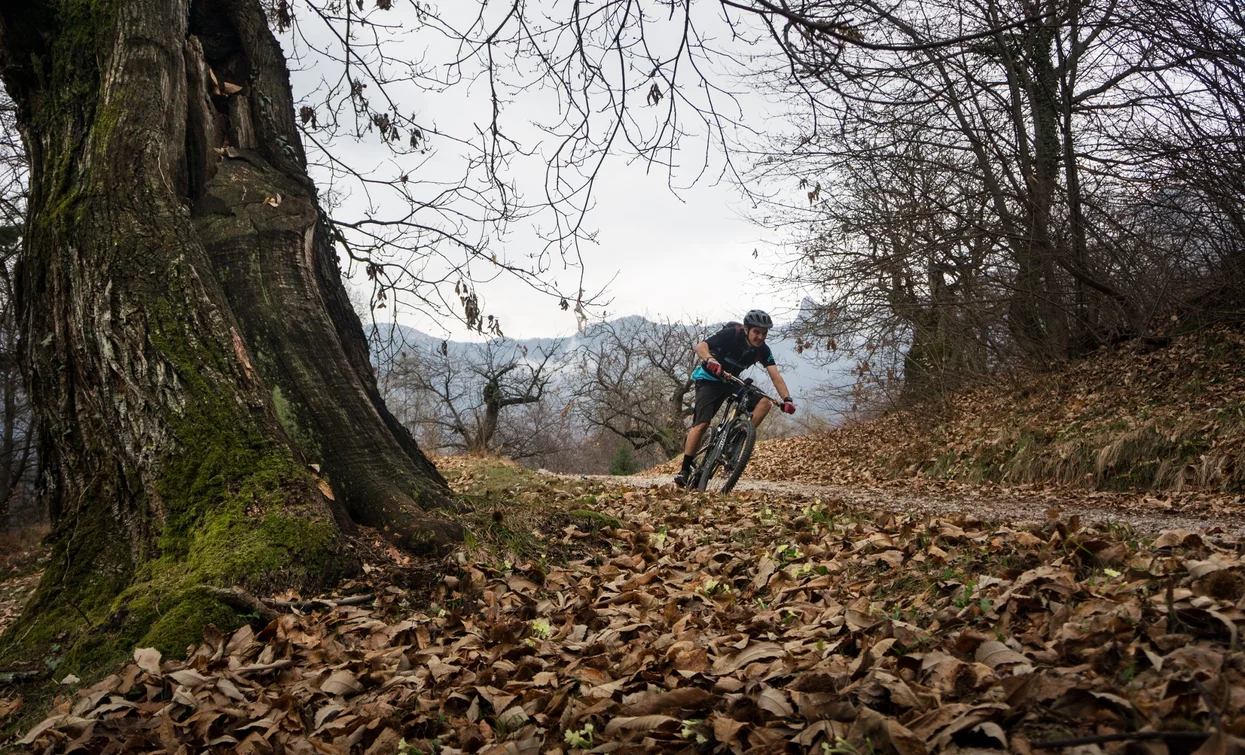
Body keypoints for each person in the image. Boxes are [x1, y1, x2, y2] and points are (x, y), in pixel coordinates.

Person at [674, 310, 795, 487]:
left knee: (764, 403)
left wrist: (787, 399)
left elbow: (775, 375)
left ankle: (737, 443)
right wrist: (710, 359)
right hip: (709, 380)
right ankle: (684, 470)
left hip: (732, 381)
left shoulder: (763, 350)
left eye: (764, 333)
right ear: (746, 329)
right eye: (756, 332)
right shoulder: (731, 334)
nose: (760, 337)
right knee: (701, 425)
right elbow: (701, 346)